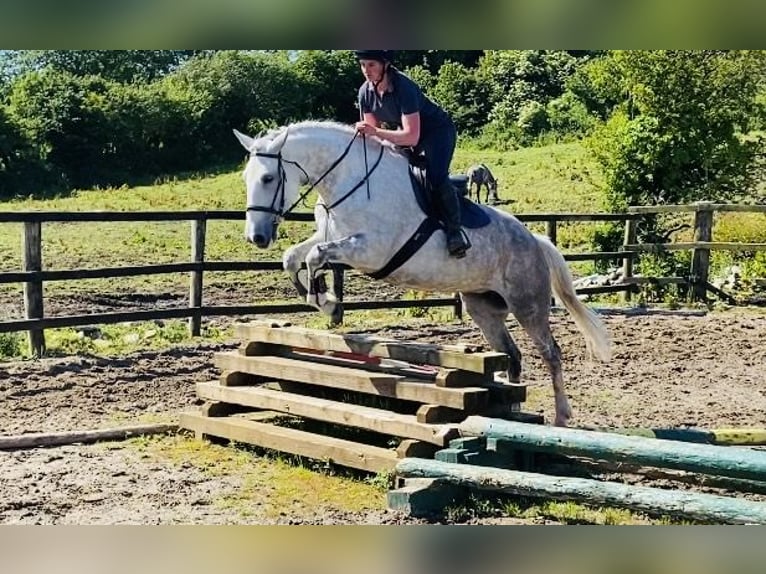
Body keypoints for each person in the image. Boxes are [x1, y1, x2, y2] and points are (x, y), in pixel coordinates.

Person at [353, 50, 470, 258]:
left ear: (385, 65)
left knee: (434, 177)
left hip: (436, 132)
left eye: (372, 65)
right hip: (405, 133)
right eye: (363, 65)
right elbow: (373, 138)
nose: (366, 71)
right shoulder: (365, 93)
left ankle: (455, 233)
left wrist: (376, 132)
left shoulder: (404, 87)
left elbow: (411, 137)